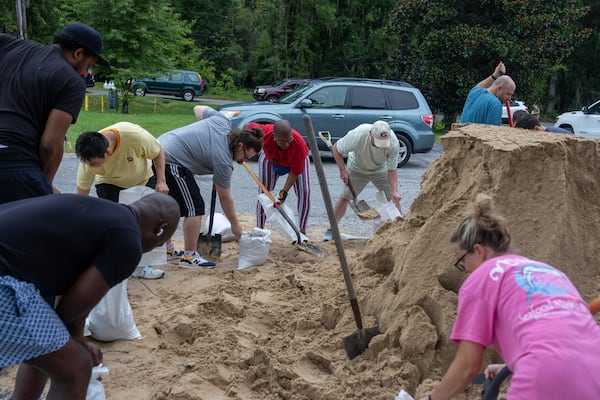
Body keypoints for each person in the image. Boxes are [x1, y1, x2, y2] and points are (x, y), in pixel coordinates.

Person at [419, 193, 600, 400]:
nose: (465, 271)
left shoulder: (481, 278)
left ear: (478, 251)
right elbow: (561, 338)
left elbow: (467, 367)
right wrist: (513, 364)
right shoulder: (548, 271)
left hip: (544, 372)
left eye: (461, 262)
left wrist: (432, 399)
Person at [0, 192, 179, 400]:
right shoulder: (128, 241)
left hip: (10, 274)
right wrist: (81, 345)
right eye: (160, 243)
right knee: (76, 369)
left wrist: (76, 341)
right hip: (5, 282)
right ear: (160, 230)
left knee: (53, 347)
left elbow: (63, 310)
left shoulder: (95, 211)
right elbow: (68, 312)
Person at [0, 22, 109, 205]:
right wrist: (45, 184)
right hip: (14, 160)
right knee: (30, 228)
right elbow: (50, 144)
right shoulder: (72, 82)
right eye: (88, 66)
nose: (86, 73)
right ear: (78, 53)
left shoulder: (11, 45)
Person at [157, 105, 263, 268]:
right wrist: (235, 224)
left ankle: (167, 248)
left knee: (171, 206)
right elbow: (225, 197)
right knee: (195, 207)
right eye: (246, 156)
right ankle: (189, 257)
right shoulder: (223, 161)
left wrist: (201, 136)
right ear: (240, 145)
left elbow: (198, 108)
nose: (243, 161)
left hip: (159, 147)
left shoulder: (221, 121)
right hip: (171, 161)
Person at [75, 122, 170, 279]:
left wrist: (161, 181)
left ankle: (142, 266)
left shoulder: (134, 136)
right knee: (115, 223)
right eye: (89, 164)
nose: (91, 167)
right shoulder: (88, 162)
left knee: (146, 223)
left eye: (94, 164)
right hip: (109, 183)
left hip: (143, 180)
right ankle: (116, 263)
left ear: (108, 152)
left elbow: (157, 151)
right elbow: (81, 196)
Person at [323, 120, 402, 241]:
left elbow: (392, 170)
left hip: (380, 169)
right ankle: (331, 229)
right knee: (345, 197)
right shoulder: (359, 134)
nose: (379, 146)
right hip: (357, 168)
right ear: (371, 133)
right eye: (376, 142)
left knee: (393, 198)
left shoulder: (393, 143)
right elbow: (336, 149)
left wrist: (395, 191)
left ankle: (401, 229)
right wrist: (342, 170)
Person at [245, 120, 311, 234]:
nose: (286, 144)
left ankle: (302, 230)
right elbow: (247, 127)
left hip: (294, 162)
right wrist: (244, 150)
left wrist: (284, 192)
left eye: (288, 140)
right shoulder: (265, 132)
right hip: (271, 159)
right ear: (274, 136)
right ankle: (260, 229)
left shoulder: (299, 145)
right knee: (263, 193)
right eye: (281, 141)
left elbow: (295, 172)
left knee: (304, 192)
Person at [460, 61, 516, 126]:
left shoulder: (475, 92)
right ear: (499, 89)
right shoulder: (495, 104)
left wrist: (495, 75)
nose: (509, 98)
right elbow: (493, 134)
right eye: (508, 94)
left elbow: (479, 86)